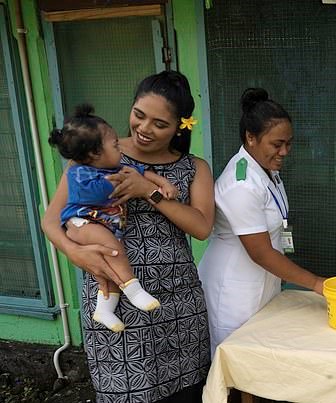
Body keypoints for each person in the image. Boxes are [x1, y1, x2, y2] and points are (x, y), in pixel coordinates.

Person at [42, 71, 214, 402]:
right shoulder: (96, 151)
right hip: (114, 301)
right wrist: (73, 252)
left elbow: (202, 227)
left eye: (160, 124)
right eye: (139, 115)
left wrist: (150, 191)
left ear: (180, 125)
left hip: (178, 306)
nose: (144, 129)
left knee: (187, 394)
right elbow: (51, 220)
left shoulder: (195, 167)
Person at [198, 88, 326, 359]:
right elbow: (260, 252)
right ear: (251, 137)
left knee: (259, 359)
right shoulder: (241, 183)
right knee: (236, 362)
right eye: (277, 144)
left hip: (262, 280)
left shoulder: (266, 169)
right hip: (235, 288)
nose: (284, 151)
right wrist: (316, 283)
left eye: (289, 143)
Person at [48, 104, 174, 332]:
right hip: (81, 223)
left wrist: (161, 183)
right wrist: (119, 181)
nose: (120, 148)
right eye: (115, 145)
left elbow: (140, 172)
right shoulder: (79, 173)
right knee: (113, 249)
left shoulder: (114, 166)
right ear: (95, 154)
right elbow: (95, 192)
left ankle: (104, 309)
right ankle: (134, 290)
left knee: (107, 265)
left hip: (102, 225)